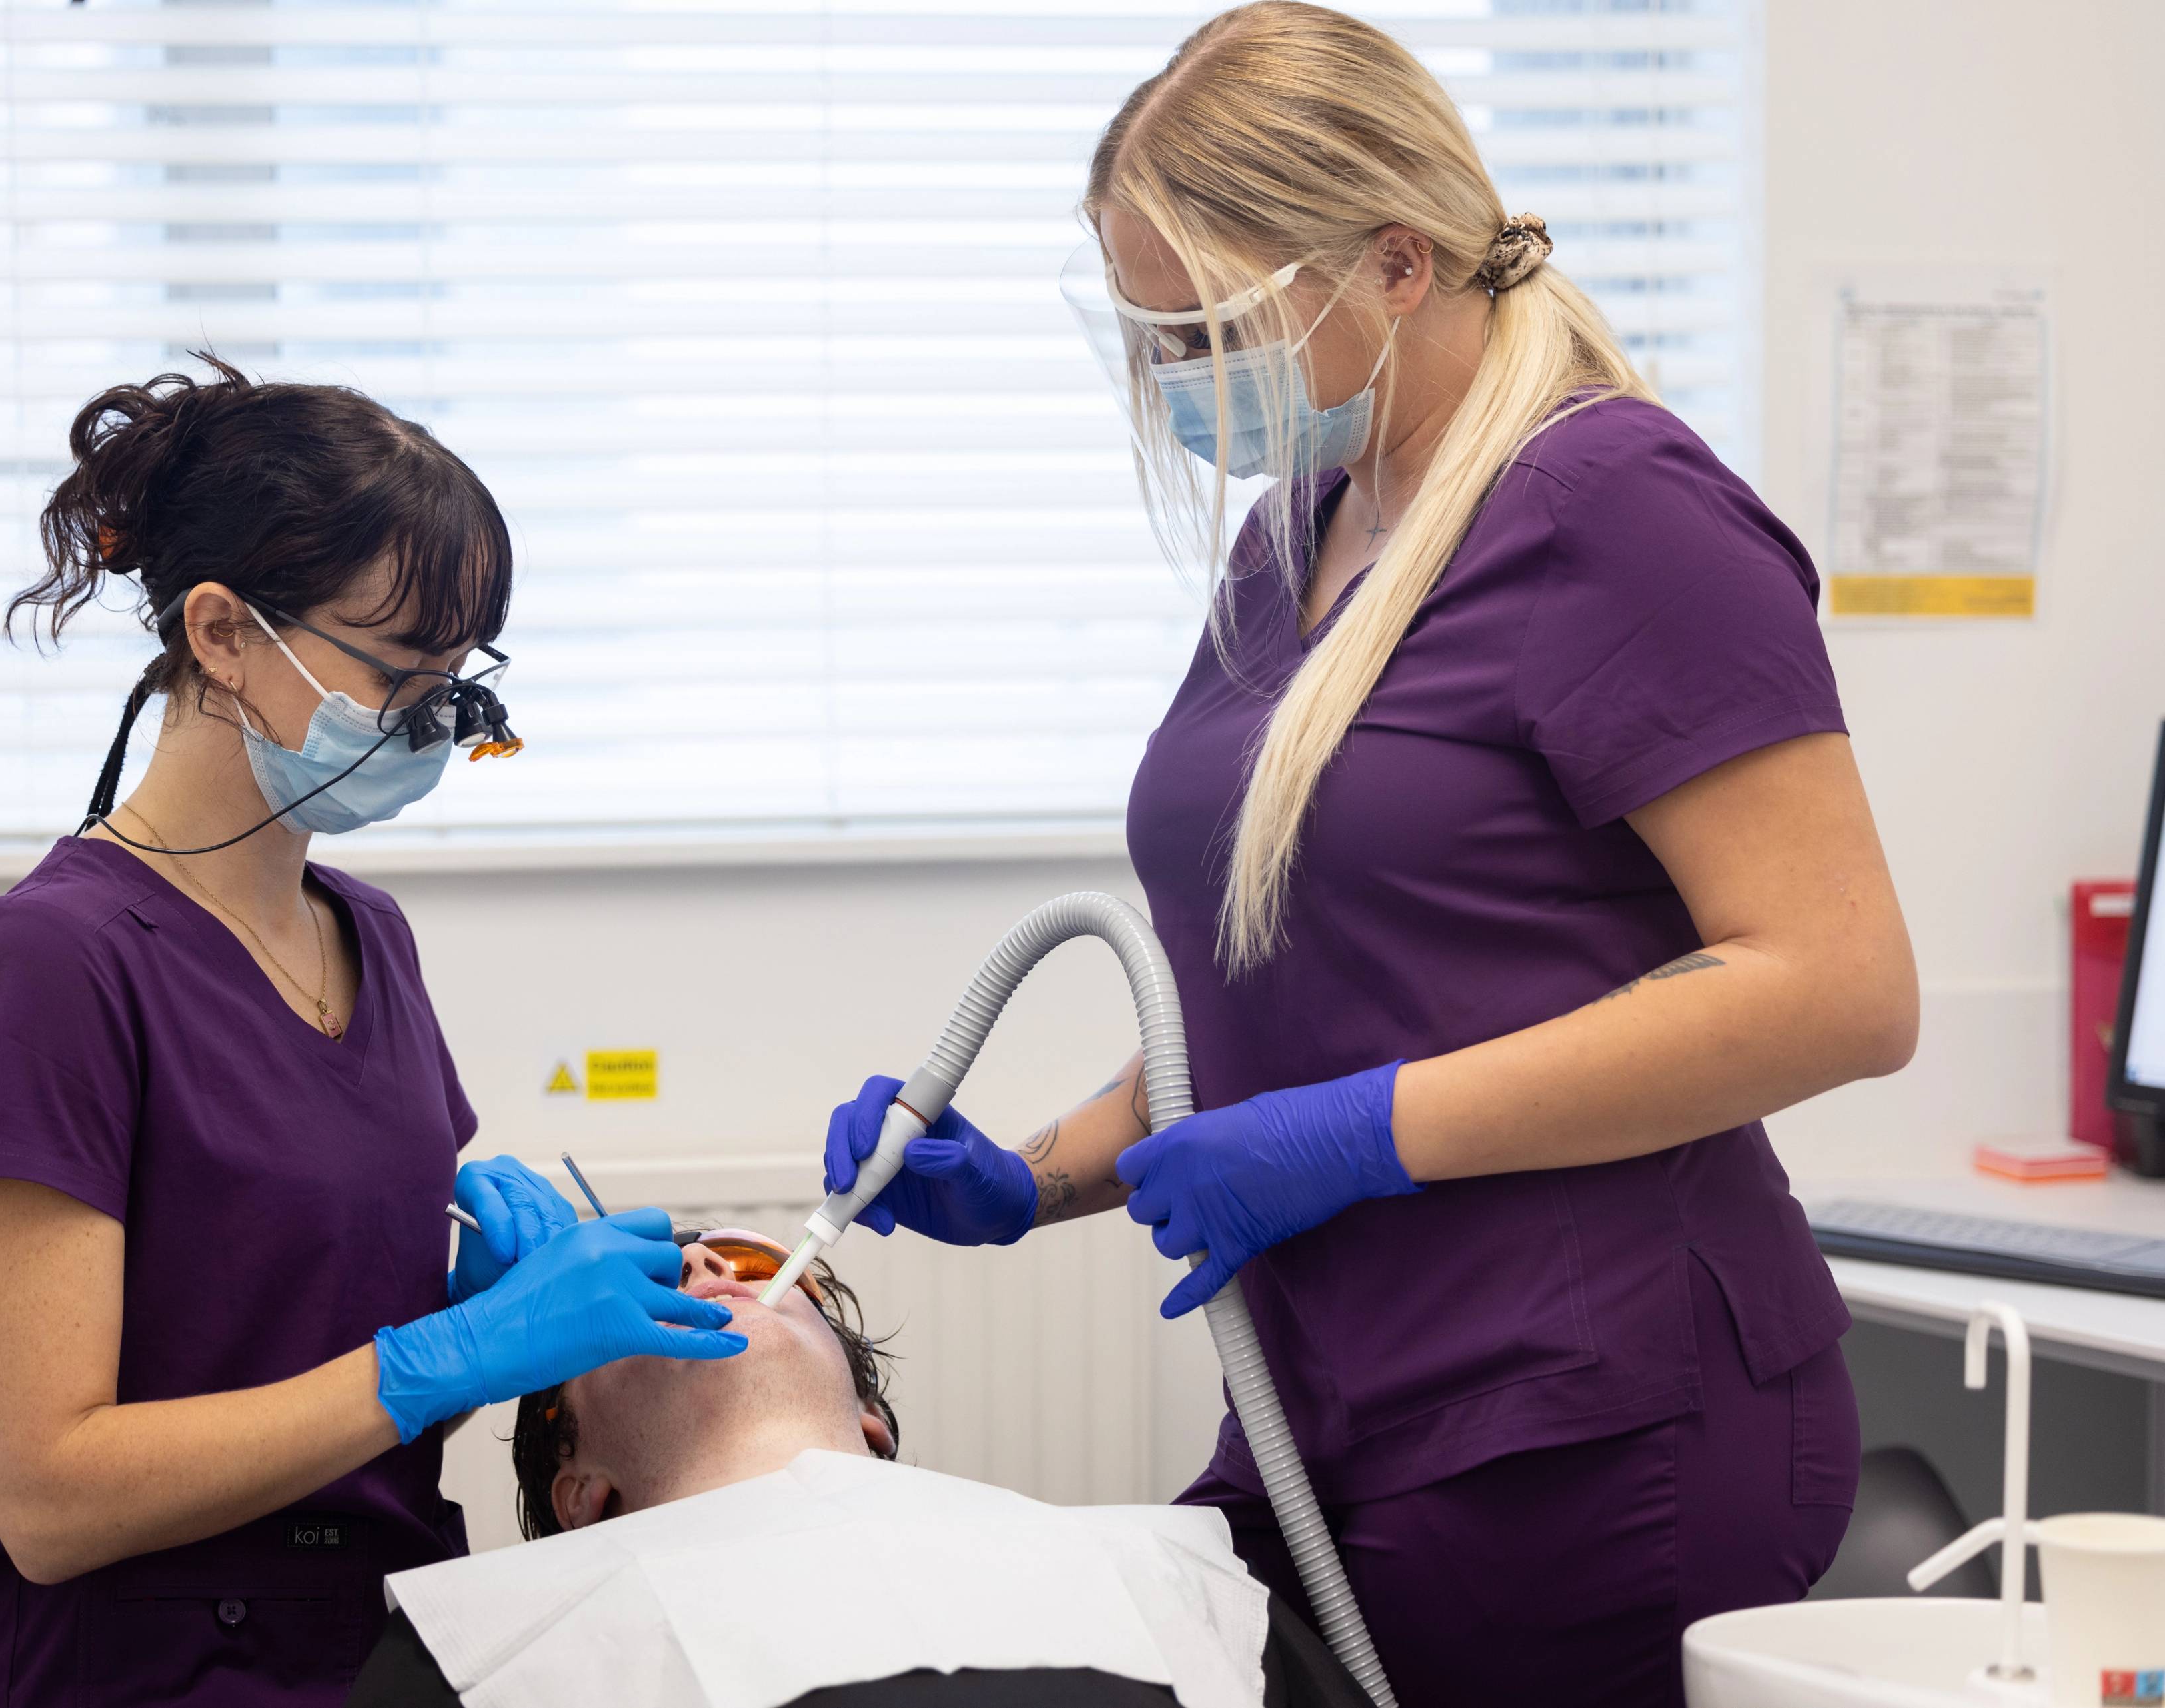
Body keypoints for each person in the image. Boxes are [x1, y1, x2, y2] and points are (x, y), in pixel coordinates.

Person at [820, 6, 1916, 1704]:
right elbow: (1306, 994)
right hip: (1336, 1401)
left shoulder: (1617, 509)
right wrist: (1031, 1177)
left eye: (1209, 329)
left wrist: (1361, 1135)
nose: (1179, 380)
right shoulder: (1303, 539)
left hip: (1597, 1420)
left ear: (1398, 261)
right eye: (1151, 337)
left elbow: (1836, 990)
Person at [0, 357, 745, 1707]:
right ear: (224, 632)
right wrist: (433, 1359)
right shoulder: (52, 969)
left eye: (453, 689)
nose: (427, 726)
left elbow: (332, 1418)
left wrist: (475, 1325)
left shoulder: (369, 940)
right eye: (396, 675)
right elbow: (50, 1499)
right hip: (131, 1667)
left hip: (369, 1638)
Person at [350, 1230, 1371, 1708]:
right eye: (649, 1286)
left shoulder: (1166, 1568)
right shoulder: (485, 1647)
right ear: (584, 1492)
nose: (707, 1271)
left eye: (745, 1262)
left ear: (874, 1419)